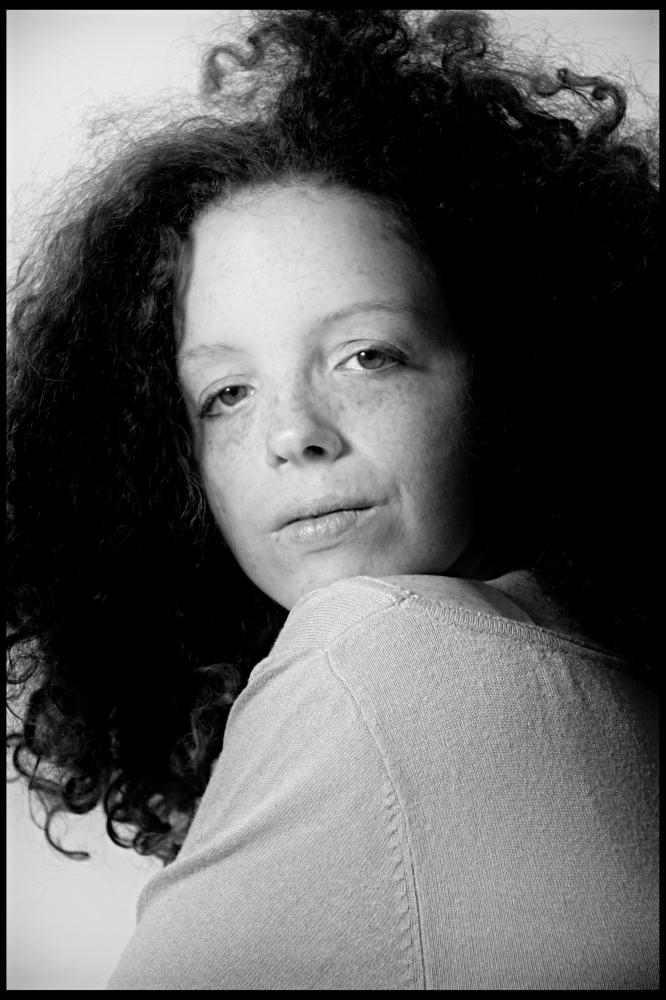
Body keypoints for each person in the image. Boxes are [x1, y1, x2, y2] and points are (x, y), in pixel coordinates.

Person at [6, 9, 658, 991]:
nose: (293, 433)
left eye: (367, 355)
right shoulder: (591, 668)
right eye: (226, 394)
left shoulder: (379, 651)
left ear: (513, 372)